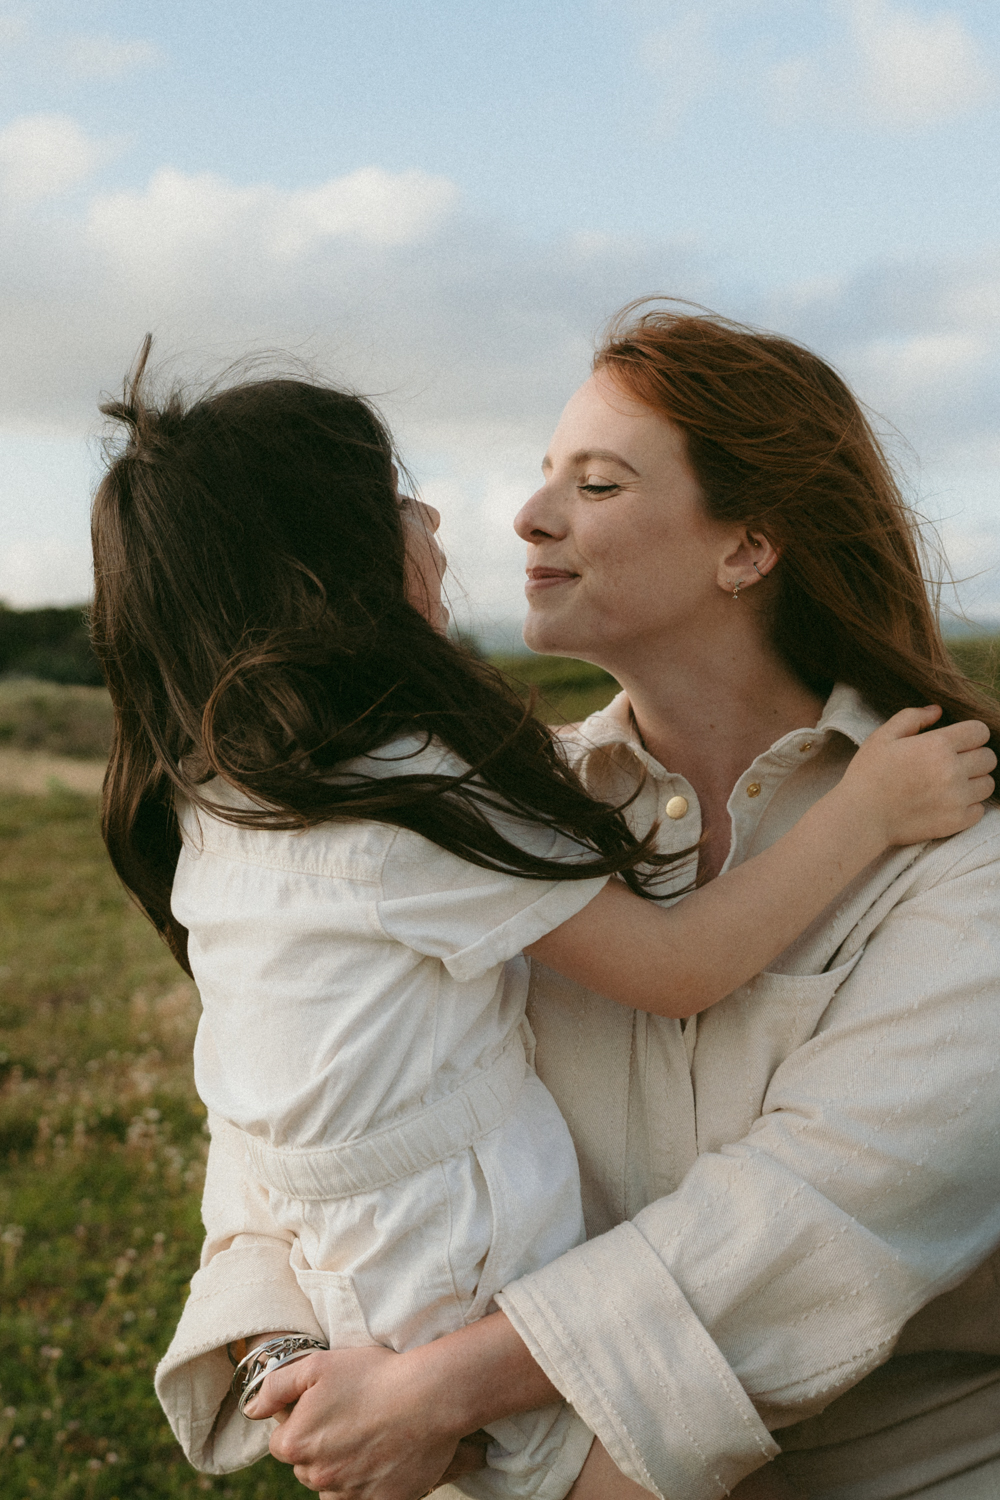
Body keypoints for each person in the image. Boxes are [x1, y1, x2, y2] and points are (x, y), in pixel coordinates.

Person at [89, 331, 992, 1500]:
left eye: (597, 482)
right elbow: (277, 1126)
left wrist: (440, 1392)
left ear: (750, 545)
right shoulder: (468, 815)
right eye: (544, 469)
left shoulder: (956, 849)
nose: (521, 515)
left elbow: (807, 1225)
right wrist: (293, 1364)